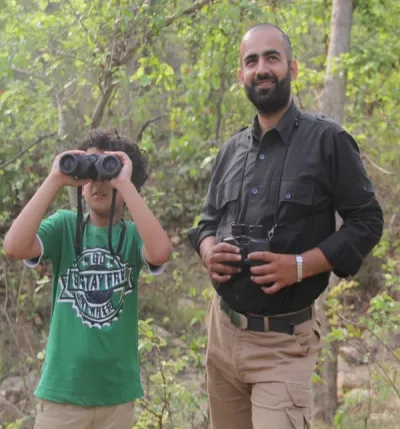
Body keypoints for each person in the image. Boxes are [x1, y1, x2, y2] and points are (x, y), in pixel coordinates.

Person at [188, 23, 383, 429]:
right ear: (241, 75)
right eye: (251, 61)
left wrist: (300, 265)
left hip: (282, 345)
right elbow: (205, 223)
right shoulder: (230, 151)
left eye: (271, 58)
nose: (262, 68)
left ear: (292, 68)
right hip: (221, 336)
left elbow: (367, 222)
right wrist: (208, 250)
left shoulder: (327, 141)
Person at [4, 130, 173, 429]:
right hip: (63, 393)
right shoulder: (65, 228)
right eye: (91, 171)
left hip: (116, 396)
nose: (99, 181)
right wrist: (55, 178)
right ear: (80, 184)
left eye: (108, 170)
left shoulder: (134, 237)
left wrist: (124, 182)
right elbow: (14, 246)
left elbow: (160, 252)